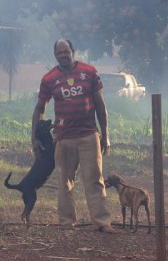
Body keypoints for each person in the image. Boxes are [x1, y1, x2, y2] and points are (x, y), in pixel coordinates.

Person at [31, 38, 116, 234]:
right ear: (55, 55)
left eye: (66, 52)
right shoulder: (49, 79)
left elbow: (101, 105)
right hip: (63, 138)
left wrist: (106, 134)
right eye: (59, 53)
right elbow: (39, 109)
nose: (63, 55)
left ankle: (102, 222)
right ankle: (67, 223)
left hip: (89, 135)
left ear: (73, 52)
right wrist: (34, 137)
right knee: (64, 181)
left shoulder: (89, 72)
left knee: (95, 179)